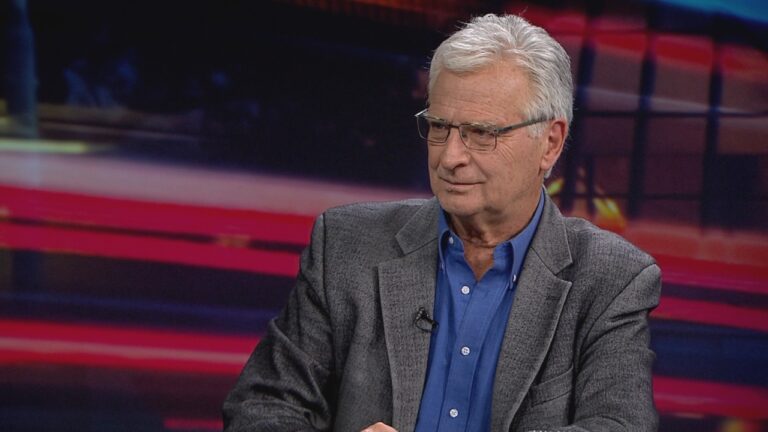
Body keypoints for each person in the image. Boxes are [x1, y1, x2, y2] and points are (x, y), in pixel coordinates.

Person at [223, 13, 661, 432]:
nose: (450, 157)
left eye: (481, 133)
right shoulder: (344, 246)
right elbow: (263, 407)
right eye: (439, 127)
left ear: (550, 143)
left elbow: (619, 426)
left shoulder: (610, 279)